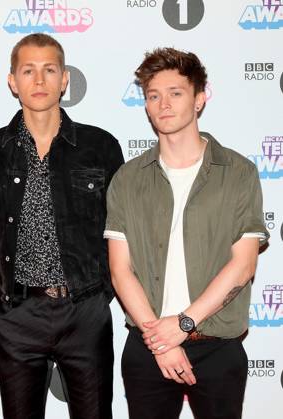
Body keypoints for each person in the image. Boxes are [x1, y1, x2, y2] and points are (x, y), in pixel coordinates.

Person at [105, 47, 268, 419]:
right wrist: (161, 341)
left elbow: (243, 267)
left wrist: (182, 324)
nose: (163, 104)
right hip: (147, 346)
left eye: (176, 93)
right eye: (153, 95)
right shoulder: (127, 179)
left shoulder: (239, 173)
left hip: (218, 348)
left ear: (199, 98)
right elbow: (120, 271)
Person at [0, 33, 124, 419]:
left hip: (84, 310)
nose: (39, 81)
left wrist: (99, 295)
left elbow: (122, 231)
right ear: (12, 81)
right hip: (16, 314)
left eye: (49, 70)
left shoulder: (99, 146)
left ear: (65, 78)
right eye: (28, 70)